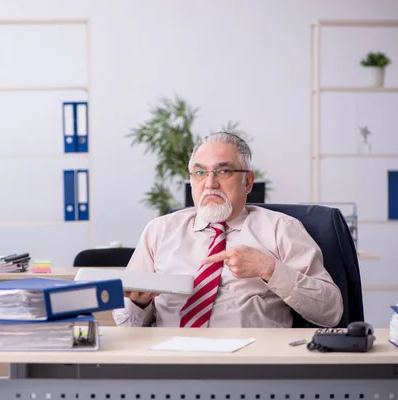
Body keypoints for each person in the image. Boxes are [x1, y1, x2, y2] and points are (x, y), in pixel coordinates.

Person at [112, 131, 343, 328]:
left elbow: (331, 311)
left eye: (223, 172)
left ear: (248, 182)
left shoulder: (281, 229)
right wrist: (138, 304)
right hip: (174, 359)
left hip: (251, 362)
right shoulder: (159, 231)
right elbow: (126, 324)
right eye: (200, 173)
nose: (210, 183)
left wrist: (271, 269)